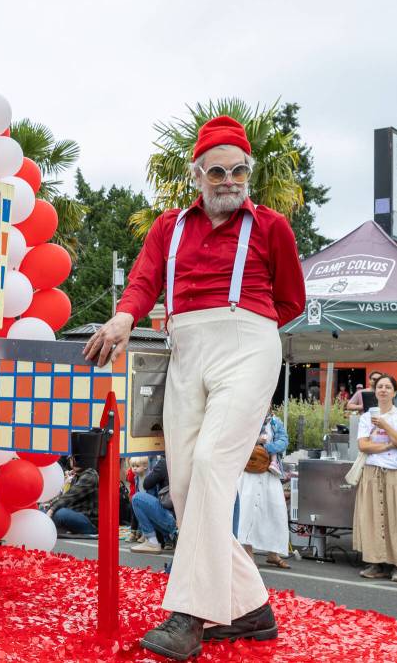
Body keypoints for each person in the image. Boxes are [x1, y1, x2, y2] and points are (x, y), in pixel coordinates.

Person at [84, 115, 304, 658]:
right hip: (184, 349)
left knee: (209, 467)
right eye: (217, 171)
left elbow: (291, 301)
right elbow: (141, 283)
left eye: (239, 170)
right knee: (183, 485)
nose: (229, 180)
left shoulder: (272, 226)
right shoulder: (167, 227)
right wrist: (124, 318)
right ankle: (251, 609)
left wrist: (245, 326)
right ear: (197, 175)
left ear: (248, 173)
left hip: (248, 345)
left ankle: (190, 615)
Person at [352, 375, 397, 583]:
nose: (383, 390)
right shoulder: (366, 417)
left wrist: (386, 426)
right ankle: (375, 563)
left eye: (388, 387)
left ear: (395, 392)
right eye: (380, 387)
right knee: (373, 518)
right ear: (374, 391)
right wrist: (389, 445)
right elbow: (363, 446)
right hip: (372, 471)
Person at [236, 412, 291, 569]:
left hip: (270, 472)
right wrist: (256, 442)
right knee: (247, 511)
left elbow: (283, 441)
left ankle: (273, 553)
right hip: (249, 471)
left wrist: (265, 447)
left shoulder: (275, 421)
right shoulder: (246, 418)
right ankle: (247, 552)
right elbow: (240, 440)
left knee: (274, 511)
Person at [131, 456, 177, 554]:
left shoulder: (166, 462)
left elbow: (147, 484)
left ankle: (152, 541)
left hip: (172, 520)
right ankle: (168, 537)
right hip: (187, 520)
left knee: (137, 498)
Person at [47, 455, 99, 535]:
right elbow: (66, 498)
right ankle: (55, 529)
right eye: (73, 459)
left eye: (78, 459)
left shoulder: (90, 475)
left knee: (61, 514)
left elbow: (69, 497)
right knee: (43, 512)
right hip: (77, 514)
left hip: (90, 521)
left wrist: (52, 509)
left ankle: (51, 530)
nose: (76, 462)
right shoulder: (76, 476)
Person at [126, 456, 150, 542]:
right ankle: (134, 532)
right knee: (134, 515)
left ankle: (143, 533)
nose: (134, 468)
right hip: (134, 496)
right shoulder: (136, 477)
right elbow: (129, 479)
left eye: (137, 466)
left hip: (143, 498)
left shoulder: (147, 476)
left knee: (143, 516)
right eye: (133, 466)